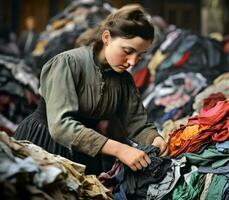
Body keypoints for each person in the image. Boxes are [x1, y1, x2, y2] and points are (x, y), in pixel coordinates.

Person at [14, 4, 168, 175]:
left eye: (140, 55)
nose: (132, 62)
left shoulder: (124, 80)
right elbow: (60, 126)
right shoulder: (68, 63)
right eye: (128, 51)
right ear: (107, 37)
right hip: (43, 144)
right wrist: (119, 149)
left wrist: (154, 138)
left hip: (86, 153)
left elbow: (136, 122)